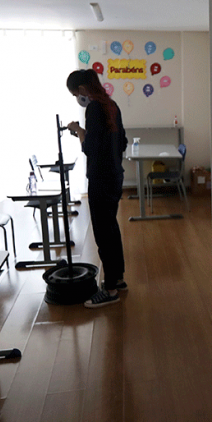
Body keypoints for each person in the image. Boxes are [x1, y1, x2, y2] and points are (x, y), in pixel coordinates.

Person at [66, 69, 128, 308]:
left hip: (100, 179)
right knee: (111, 228)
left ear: (82, 90)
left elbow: (90, 149)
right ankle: (118, 279)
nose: (76, 99)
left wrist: (80, 132)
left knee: (103, 233)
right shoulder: (112, 105)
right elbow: (120, 141)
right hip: (115, 176)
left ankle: (110, 289)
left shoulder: (93, 109)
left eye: (75, 94)